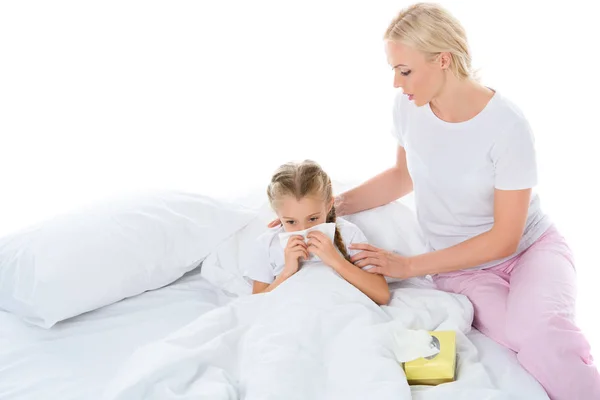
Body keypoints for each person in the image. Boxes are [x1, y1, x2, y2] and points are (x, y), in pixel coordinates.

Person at [265, 3, 598, 399]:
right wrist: (324, 210)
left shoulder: (507, 126)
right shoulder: (409, 109)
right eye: (393, 70)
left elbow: (506, 238)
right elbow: (403, 177)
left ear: (443, 60)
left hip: (531, 250)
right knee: (521, 338)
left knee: (540, 333)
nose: (395, 83)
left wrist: (407, 266)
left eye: (404, 71)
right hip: (461, 269)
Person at [245, 160, 390, 305]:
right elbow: (256, 304)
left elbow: (382, 295)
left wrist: (335, 260)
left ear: (328, 206)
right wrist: (287, 272)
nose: (304, 229)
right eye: (291, 222)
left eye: (313, 218)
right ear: (278, 214)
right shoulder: (268, 244)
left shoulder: (348, 234)